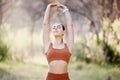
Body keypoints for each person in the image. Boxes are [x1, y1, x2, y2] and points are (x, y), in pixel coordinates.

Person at [43, 2, 74, 80]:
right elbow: (45, 23)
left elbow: (70, 25)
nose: (56, 28)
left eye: (59, 27)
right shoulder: (48, 45)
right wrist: (48, 7)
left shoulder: (68, 46)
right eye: (54, 27)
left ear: (63, 31)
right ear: (52, 32)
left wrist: (65, 9)